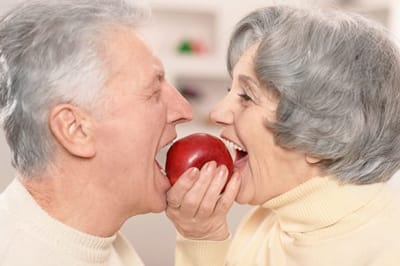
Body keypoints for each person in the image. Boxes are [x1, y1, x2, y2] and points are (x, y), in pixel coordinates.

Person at [166, 5, 400, 266]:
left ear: (321, 135)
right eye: (230, 89)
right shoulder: (264, 223)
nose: (217, 112)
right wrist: (203, 237)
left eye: (246, 96)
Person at [0, 0, 192, 265]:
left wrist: (200, 236)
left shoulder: (96, 243)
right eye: (154, 91)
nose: (184, 110)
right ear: (75, 129)